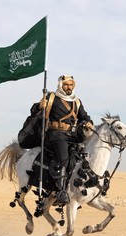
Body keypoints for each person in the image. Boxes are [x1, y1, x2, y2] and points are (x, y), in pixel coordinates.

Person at [38, 75, 94, 204]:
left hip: (72, 135)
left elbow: (84, 116)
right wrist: (40, 106)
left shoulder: (77, 101)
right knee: (64, 158)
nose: (68, 87)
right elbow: (35, 110)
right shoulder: (52, 97)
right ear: (60, 85)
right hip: (55, 134)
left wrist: (88, 122)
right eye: (66, 85)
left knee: (82, 157)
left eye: (70, 85)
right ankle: (61, 191)